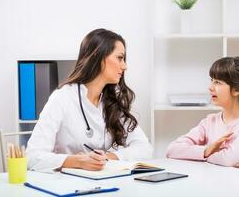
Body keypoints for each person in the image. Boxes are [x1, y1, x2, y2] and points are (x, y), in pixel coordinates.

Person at [26, 28, 153, 172]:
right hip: (66, 185)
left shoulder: (111, 101)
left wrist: (107, 157)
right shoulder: (62, 98)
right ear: (98, 56)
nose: (124, 66)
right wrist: (77, 161)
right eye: (120, 58)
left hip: (104, 183)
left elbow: (145, 148)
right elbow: (32, 157)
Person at [166, 57, 239, 173]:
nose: (210, 87)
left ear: (237, 89)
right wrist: (206, 150)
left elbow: (228, 160)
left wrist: (199, 156)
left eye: (217, 82)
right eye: (212, 80)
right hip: (222, 183)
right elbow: (172, 150)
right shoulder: (210, 121)